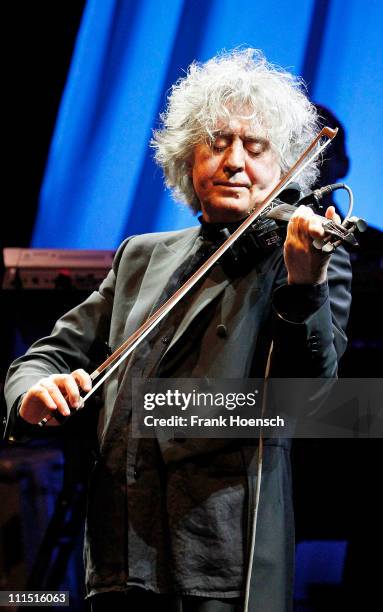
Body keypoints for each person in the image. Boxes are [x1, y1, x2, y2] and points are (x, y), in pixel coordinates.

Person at [4, 49, 352, 612]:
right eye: (217, 142)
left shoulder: (305, 257)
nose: (234, 161)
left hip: (221, 558)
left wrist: (304, 284)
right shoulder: (139, 258)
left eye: (255, 146)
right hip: (119, 551)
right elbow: (42, 358)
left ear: (285, 162)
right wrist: (31, 396)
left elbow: (312, 401)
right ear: (185, 157)